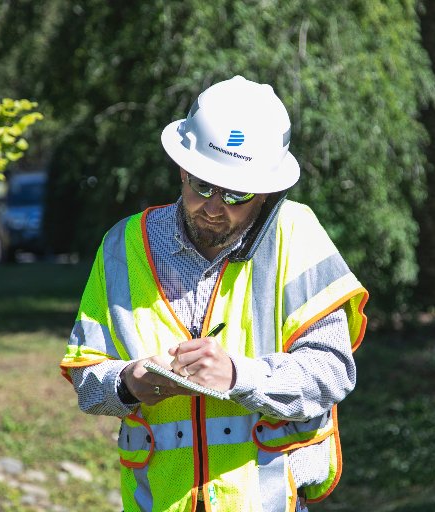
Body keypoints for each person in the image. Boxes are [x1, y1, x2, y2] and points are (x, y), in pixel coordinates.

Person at [60, 75, 368, 512]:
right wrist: (130, 383)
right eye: (201, 185)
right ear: (182, 168)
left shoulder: (298, 237)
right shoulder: (122, 246)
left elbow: (331, 373)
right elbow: (87, 383)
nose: (212, 205)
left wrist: (240, 378)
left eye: (234, 194)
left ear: (266, 191)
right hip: (158, 501)